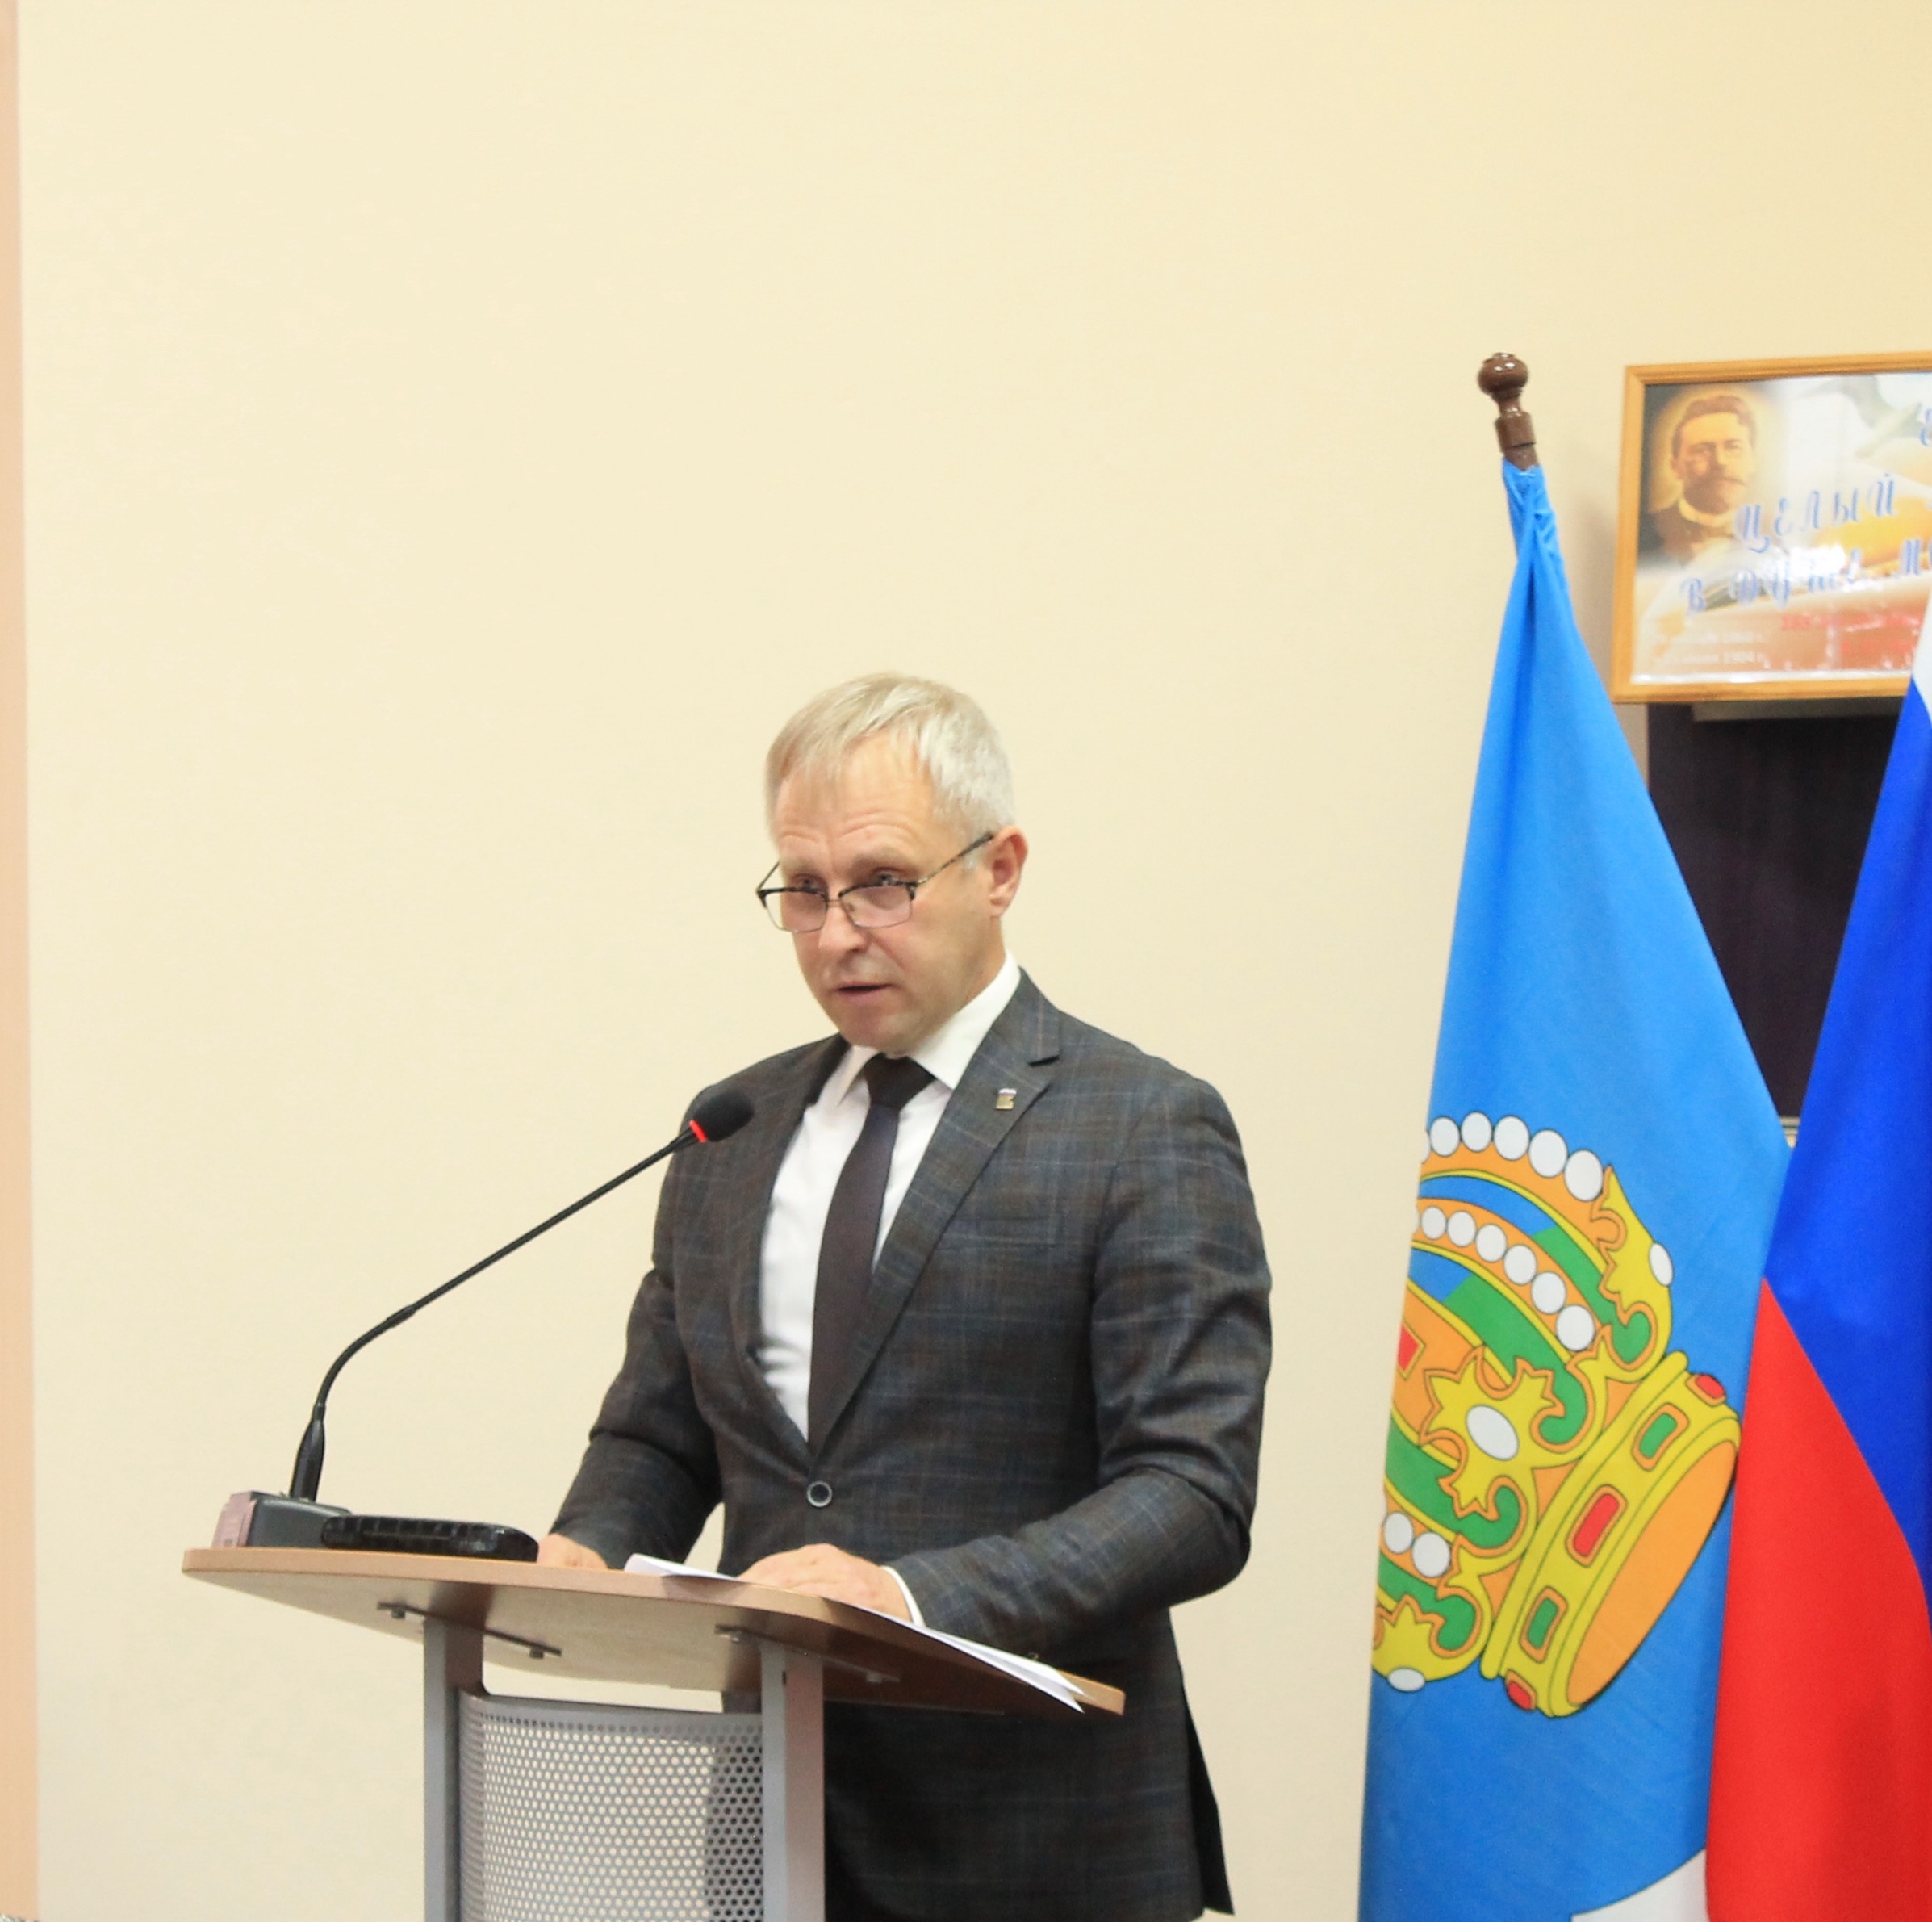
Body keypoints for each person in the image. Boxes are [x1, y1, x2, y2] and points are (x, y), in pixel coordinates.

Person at [541, 673, 1272, 1922]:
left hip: (1042, 1836)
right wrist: (578, 1553)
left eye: (882, 881)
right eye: (803, 889)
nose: (836, 933)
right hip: (779, 1823)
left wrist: (910, 1599)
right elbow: (660, 1435)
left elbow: (1190, 1496)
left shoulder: (1139, 1124)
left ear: (999, 869)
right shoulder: (732, 1130)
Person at [1646, 392, 1758, 560]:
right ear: (1675, 467)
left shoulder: (1776, 535)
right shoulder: (1645, 532)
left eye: (1733, 447)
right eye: (1702, 450)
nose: (1720, 462)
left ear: (1753, 460)